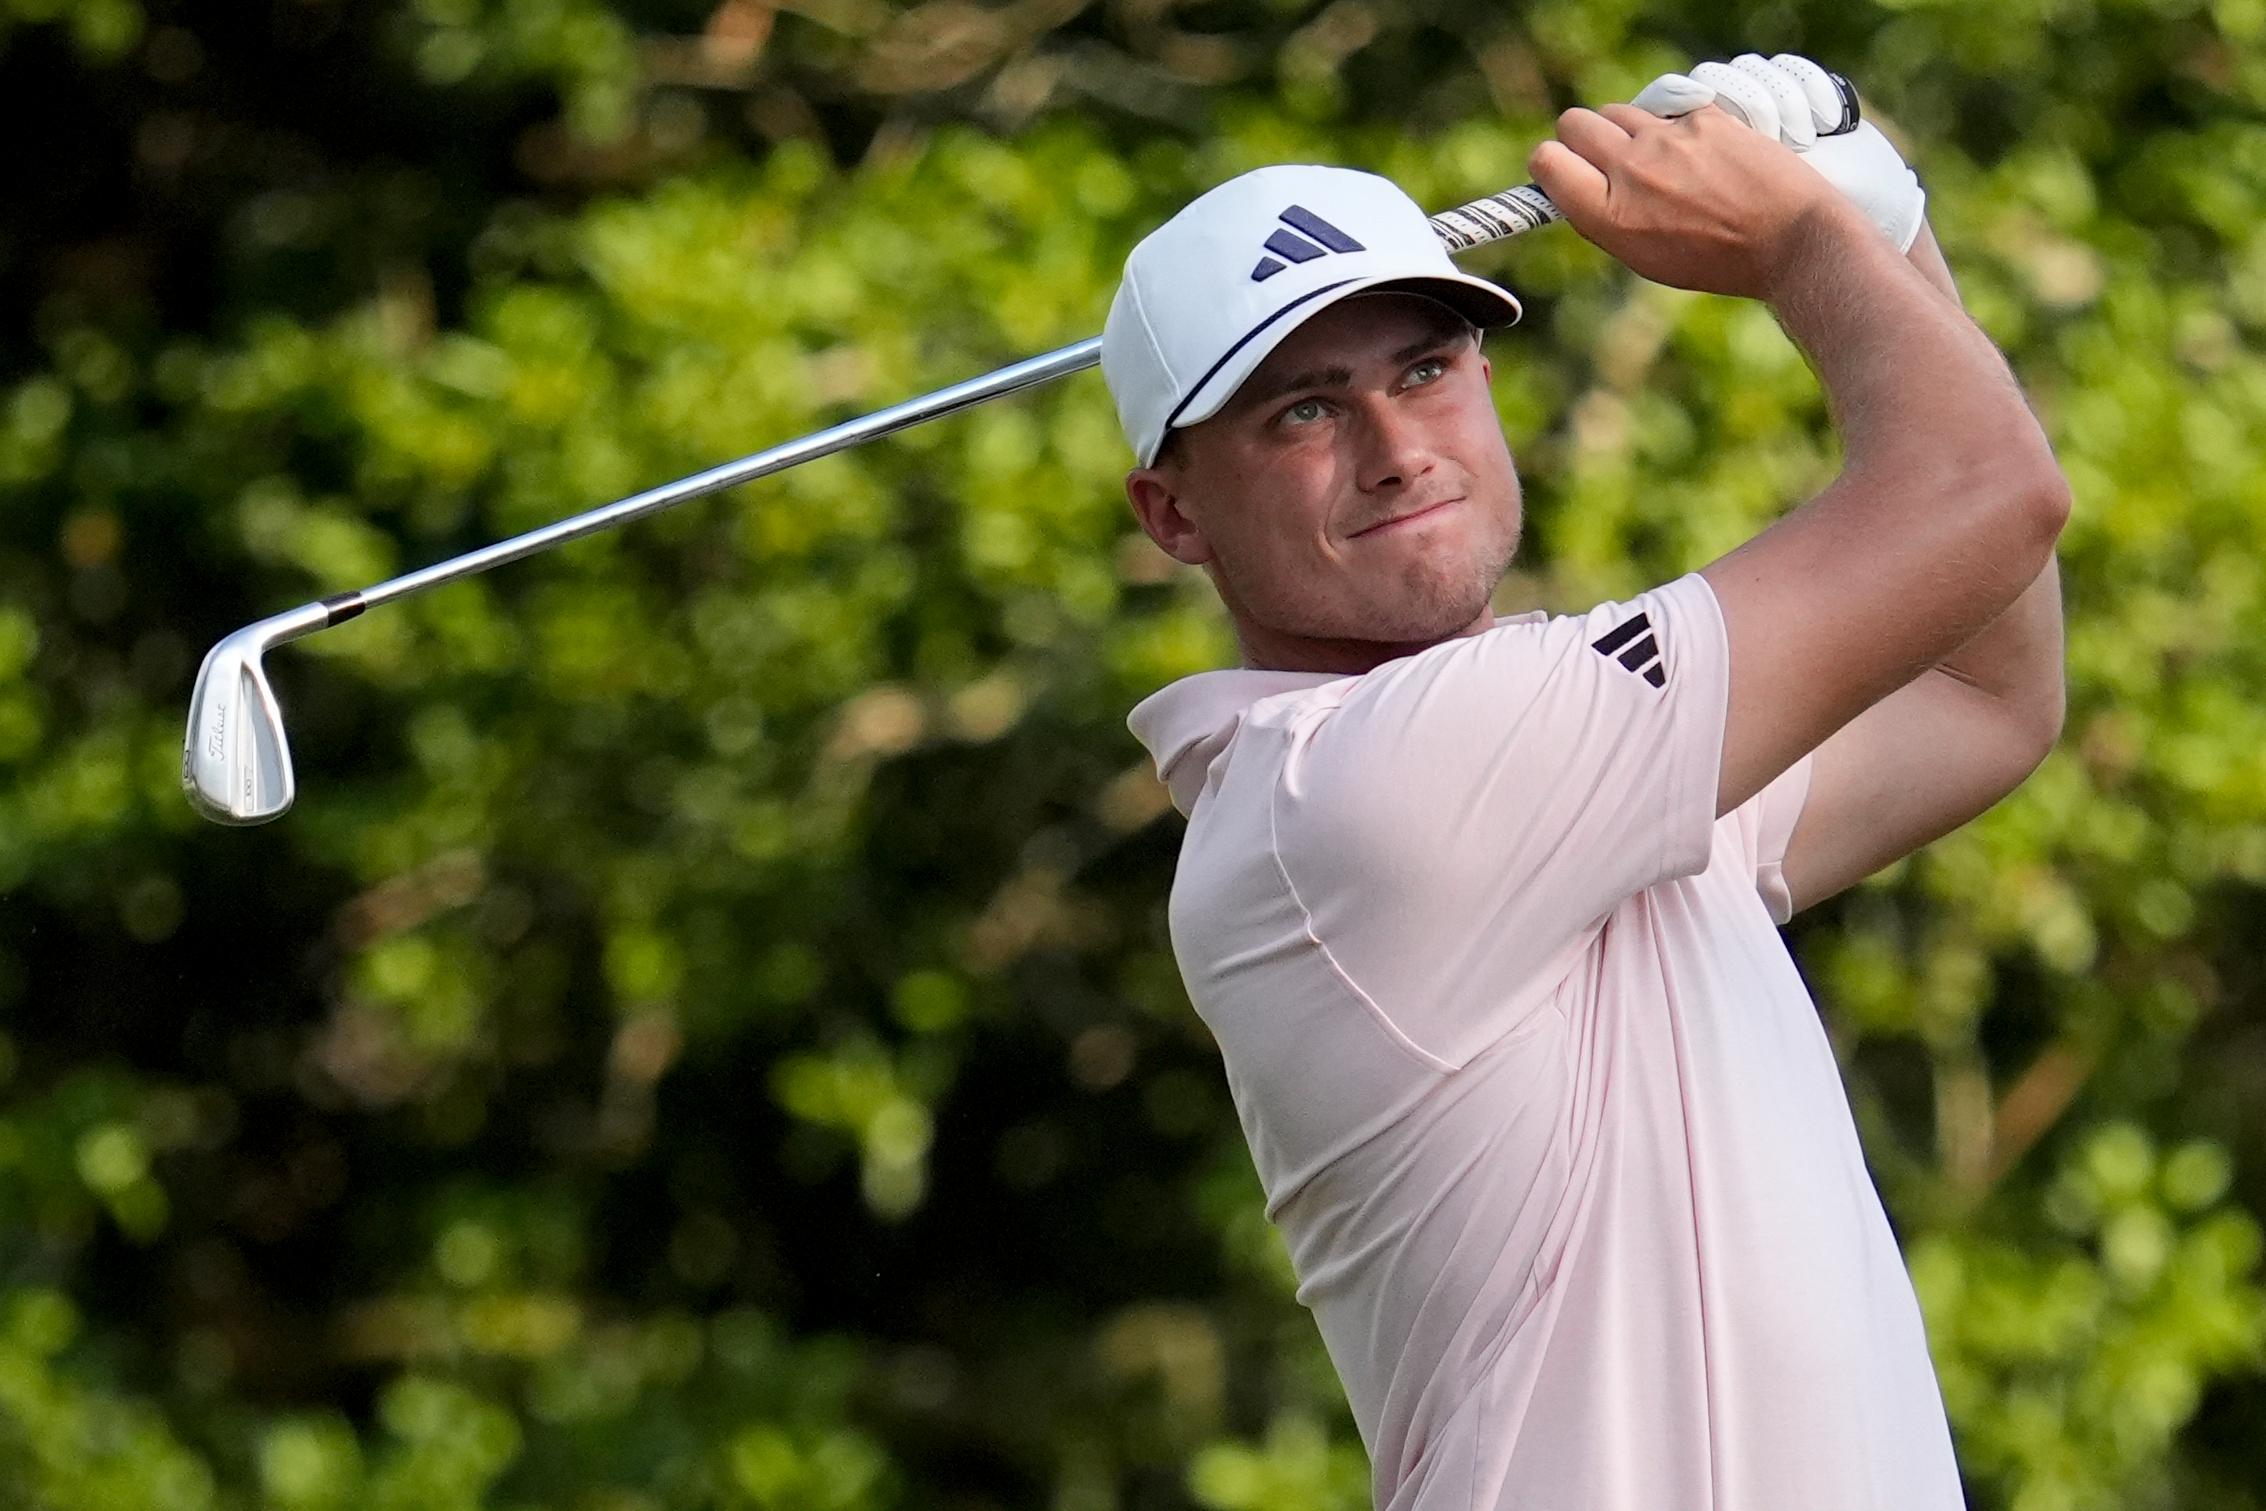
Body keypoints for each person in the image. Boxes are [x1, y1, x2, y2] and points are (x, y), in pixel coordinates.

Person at [1105, 53, 2068, 1511]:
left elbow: (1983, 695)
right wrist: (1817, 235)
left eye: (1423, 370)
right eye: (1301, 413)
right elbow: (1985, 496)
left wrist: (1880, 225)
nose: (1393, 451)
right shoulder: (1362, 785)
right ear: (1173, 511)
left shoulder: (1569, 772)